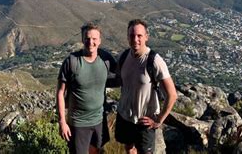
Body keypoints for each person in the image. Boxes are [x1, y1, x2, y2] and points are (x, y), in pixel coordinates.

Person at [115, 19, 178, 154]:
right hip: (125, 116)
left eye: (139, 36)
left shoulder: (154, 61)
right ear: (127, 37)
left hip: (144, 121)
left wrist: (159, 120)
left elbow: (172, 95)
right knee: (129, 147)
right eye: (132, 36)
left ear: (146, 37)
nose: (135, 39)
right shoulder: (123, 57)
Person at [56, 22, 117, 154]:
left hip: (99, 120)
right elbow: (60, 92)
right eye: (87, 38)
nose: (91, 42)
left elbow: (123, 74)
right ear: (82, 39)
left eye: (94, 39)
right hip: (78, 123)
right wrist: (62, 121)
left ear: (99, 41)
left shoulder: (106, 59)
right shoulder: (71, 62)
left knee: (97, 150)